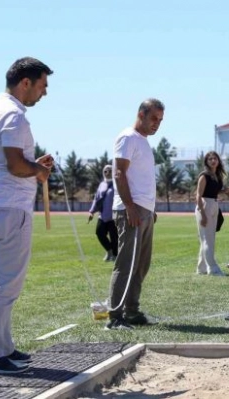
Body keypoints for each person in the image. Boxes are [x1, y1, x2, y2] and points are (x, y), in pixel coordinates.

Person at [0, 57, 54, 374]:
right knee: (5, 285)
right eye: (42, 85)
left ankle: (2, 347)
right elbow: (15, 166)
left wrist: (32, 164)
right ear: (25, 82)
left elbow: (5, 161)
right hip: (10, 207)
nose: (44, 93)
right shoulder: (15, 116)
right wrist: (38, 170)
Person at [105, 98, 164, 330]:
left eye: (160, 120)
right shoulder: (128, 137)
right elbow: (119, 173)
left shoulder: (143, 142)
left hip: (145, 210)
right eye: (153, 118)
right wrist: (129, 206)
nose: (157, 124)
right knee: (126, 263)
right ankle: (115, 316)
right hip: (131, 209)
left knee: (141, 265)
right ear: (141, 114)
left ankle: (132, 311)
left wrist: (151, 208)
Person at [194, 151, 229, 276]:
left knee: (208, 238)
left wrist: (225, 190)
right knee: (208, 239)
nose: (213, 161)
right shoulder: (204, 175)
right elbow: (198, 195)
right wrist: (203, 214)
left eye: (215, 158)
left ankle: (201, 268)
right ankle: (213, 268)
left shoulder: (216, 175)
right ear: (206, 162)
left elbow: (213, 190)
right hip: (204, 205)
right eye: (210, 159)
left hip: (214, 204)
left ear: (218, 161)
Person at [88, 165, 118, 262]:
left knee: (114, 236)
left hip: (114, 216)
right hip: (102, 215)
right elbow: (96, 199)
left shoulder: (116, 184)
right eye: (105, 171)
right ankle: (109, 251)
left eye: (110, 171)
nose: (107, 173)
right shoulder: (101, 185)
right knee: (99, 232)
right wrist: (92, 212)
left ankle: (115, 255)